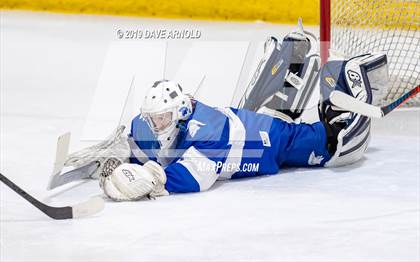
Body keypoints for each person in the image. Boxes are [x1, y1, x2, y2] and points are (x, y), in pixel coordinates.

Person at [65, 20, 389, 201]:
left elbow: (196, 177)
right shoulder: (147, 122)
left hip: (266, 142)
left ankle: (345, 93)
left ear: (178, 112)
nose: (156, 123)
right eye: (153, 118)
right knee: (262, 111)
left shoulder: (209, 132)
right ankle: (292, 61)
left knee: (327, 147)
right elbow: (141, 145)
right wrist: (118, 157)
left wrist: (151, 179)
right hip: (242, 121)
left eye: (161, 117)